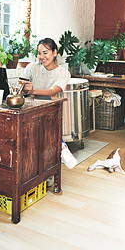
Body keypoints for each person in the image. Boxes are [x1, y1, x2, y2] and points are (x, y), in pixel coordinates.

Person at [21, 37, 77, 184]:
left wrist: (32, 91)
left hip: (50, 110)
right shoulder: (31, 68)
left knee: (46, 136)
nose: (42, 57)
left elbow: (53, 91)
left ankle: (59, 150)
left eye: (45, 52)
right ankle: (62, 147)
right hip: (29, 108)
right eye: (39, 53)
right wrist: (22, 89)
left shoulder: (64, 73)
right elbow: (22, 88)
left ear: (54, 53)